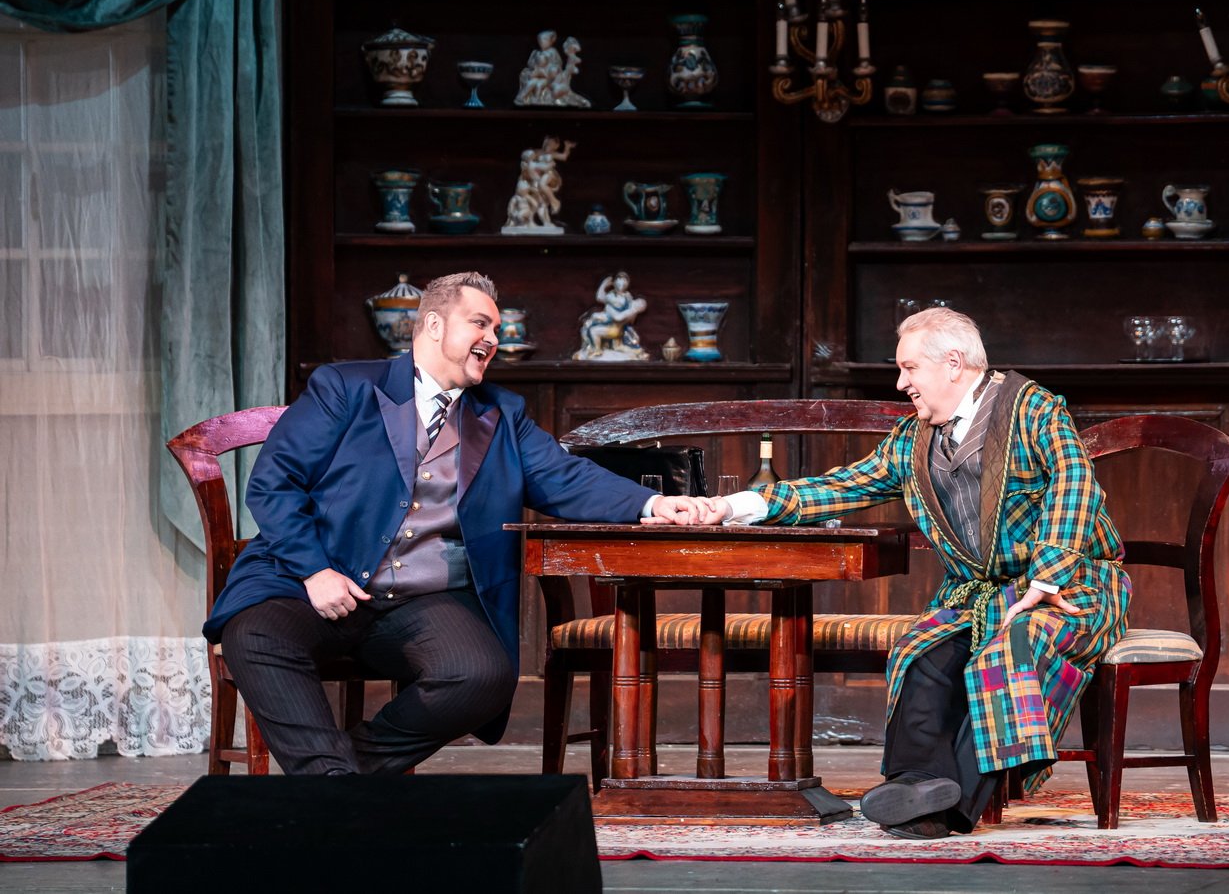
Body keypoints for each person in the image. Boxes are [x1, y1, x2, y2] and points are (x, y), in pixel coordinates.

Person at [203, 271, 714, 775]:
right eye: (480, 324)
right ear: (433, 325)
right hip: (311, 582)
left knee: (482, 676)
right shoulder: (346, 387)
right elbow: (274, 483)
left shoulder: (502, 414)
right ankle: (334, 784)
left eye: (496, 330)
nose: (493, 339)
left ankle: (337, 781)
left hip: (420, 600)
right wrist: (315, 571)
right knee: (255, 637)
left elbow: (564, 478)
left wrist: (651, 503)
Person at [713, 307, 1128, 838]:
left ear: (953, 363)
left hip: (1072, 588)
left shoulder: (1032, 409)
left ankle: (948, 808)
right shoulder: (913, 438)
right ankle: (913, 785)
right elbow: (844, 486)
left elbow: (1076, 483)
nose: (901, 382)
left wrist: (1047, 579)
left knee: (1014, 646)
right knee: (923, 650)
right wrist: (733, 507)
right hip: (979, 595)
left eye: (909, 368)